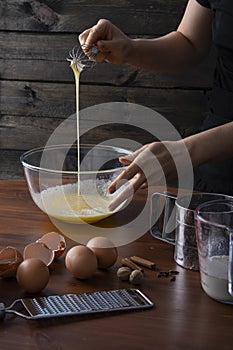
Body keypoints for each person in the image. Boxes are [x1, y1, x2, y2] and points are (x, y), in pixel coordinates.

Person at [79, 0, 233, 210]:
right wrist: (129, 49)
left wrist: (186, 152)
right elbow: (190, 42)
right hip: (217, 155)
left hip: (209, 146)